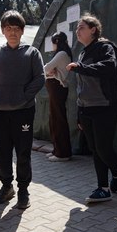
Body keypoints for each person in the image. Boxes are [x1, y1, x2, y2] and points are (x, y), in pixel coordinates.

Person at [0, 10, 45, 209]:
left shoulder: (32, 53)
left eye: (16, 28)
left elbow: (40, 79)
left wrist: (22, 97)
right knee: (2, 152)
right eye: (8, 28)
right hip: (0, 112)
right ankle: (6, 187)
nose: (12, 32)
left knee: (23, 153)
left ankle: (23, 190)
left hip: (24, 112)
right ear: (3, 31)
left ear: (22, 31)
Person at [66, 14, 117, 204]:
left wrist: (80, 68)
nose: (77, 31)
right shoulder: (82, 53)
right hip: (86, 108)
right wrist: (79, 115)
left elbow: (109, 66)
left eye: (82, 27)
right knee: (94, 149)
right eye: (77, 28)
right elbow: (81, 86)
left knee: (103, 147)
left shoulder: (105, 47)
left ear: (93, 30)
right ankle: (103, 188)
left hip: (105, 106)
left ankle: (116, 170)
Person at [44, 31, 73, 162]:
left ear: (56, 42)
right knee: (54, 118)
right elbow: (48, 70)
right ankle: (57, 149)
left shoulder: (61, 54)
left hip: (58, 88)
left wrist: (50, 72)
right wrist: (50, 72)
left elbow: (45, 68)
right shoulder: (62, 53)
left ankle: (63, 153)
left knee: (58, 119)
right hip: (55, 88)